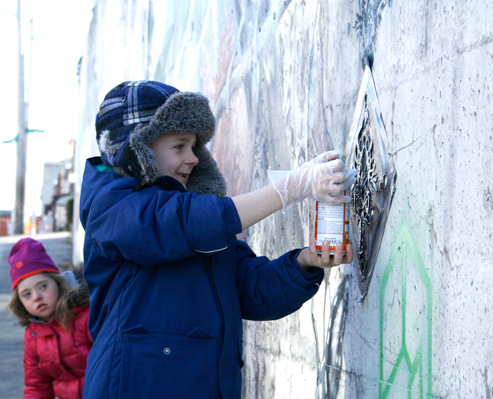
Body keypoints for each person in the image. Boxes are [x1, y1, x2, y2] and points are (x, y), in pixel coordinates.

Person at [80, 80, 356, 399]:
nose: (194, 158)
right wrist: (291, 187)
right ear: (136, 148)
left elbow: (250, 289)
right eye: (179, 146)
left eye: (194, 146)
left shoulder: (198, 215)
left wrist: (304, 263)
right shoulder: (111, 204)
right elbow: (181, 222)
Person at [7, 237, 92, 399]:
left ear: (58, 283)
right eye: (27, 294)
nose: (37, 297)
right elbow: (36, 385)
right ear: (20, 302)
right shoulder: (33, 335)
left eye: (43, 286)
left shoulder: (84, 316)